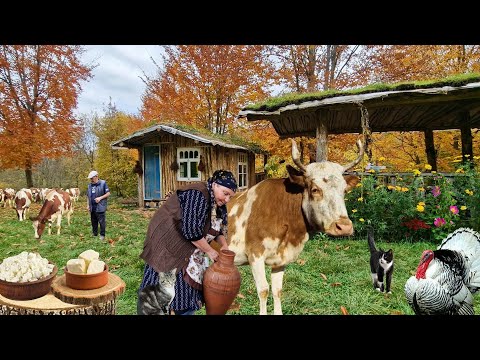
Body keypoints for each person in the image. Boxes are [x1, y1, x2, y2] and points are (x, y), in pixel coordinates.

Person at [137, 169, 238, 315]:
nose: (227, 199)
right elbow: (191, 231)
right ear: (215, 185)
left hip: (191, 248)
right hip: (169, 244)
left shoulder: (217, 203)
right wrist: (210, 251)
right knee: (160, 293)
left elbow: (217, 228)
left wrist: (224, 246)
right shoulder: (198, 194)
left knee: (186, 295)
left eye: (231, 196)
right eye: (225, 193)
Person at [86, 170, 111, 241]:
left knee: (101, 222)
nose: (91, 180)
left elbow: (108, 193)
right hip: (92, 207)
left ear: (96, 176)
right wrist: (88, 205)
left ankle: (102, 235)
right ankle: (95, 233)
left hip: (100, 206)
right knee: (93, 221)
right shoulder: (89, 185)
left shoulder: (103, 183)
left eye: (92, 178)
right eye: (90, 178)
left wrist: (100, 198)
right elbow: (88, 196)